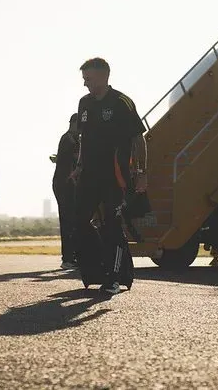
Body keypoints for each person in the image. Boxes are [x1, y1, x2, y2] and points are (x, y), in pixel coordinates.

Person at [70, 57, 147, 295]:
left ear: (103, 76)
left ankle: (115, 278)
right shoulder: (84, 103)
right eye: (84, 80)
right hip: (89, 176)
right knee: (80, 222)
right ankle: (97, 270)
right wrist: (79, 165)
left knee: (113, 226)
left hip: (115, 177)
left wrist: (142, 173)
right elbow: (83, 139)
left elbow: (139, 139)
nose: (85, 84)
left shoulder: (122, 102)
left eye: (88, 79)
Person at [52, 113, 80, 269]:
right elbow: (78, 158)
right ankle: (68, 258)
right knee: (68, 221)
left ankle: (72, 256)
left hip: (67, 183)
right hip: (65, 184)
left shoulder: (70, 139)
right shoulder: (69, 139)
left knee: (73, 220)